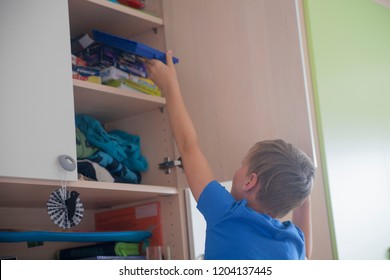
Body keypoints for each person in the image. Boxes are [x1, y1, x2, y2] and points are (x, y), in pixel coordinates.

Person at [145, 51, 315, 260]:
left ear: (250, 181)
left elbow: (189, 147)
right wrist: (302, 190)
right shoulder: (292, 242)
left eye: (243, 165)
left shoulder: (227, 214)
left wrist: (169, 85)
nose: (239, 168)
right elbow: (306, 254)